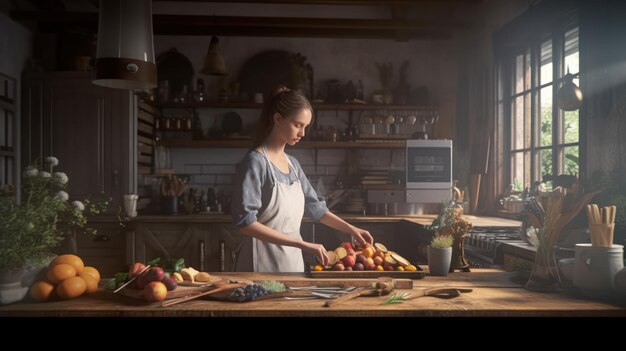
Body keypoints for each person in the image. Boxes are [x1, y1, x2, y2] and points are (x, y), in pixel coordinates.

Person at [231, 87, 374, 272]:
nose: (302, 133)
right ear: (277, 119)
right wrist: (302, 244)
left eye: (305, 127)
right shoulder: (256, 162)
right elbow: (246, 224)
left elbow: (317, 209)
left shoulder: (293, 165)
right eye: (298, 125)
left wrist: (351, 229)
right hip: (259, 263)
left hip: (291, 263)